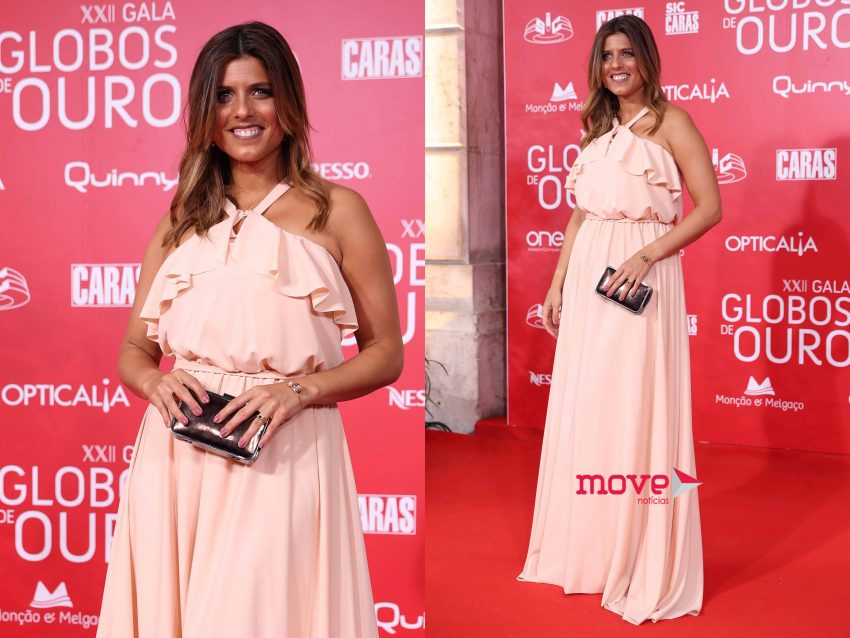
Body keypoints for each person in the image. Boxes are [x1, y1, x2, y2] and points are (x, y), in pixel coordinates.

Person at [96, 22, 402, 637]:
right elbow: (134, 349)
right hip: (177, 457)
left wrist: (298, 391)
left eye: (260, 91)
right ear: (204, 113)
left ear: (287, 100)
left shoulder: (339, 210)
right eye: (223, 95)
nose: (242, 111)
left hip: (282, 449)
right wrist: (154, 384)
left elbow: (386, 352)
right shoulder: (182, 217)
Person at [517, 15, 720, 625]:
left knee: (633, 400)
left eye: (627, 53)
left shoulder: (673, 121)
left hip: (640, 273)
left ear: (647, 59)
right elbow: (582, 214)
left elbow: (709, 207)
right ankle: (595, 549)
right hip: (591, 276)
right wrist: (558, 280)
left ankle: (639, 550)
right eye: (607, 56)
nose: (616, 65)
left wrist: (647, 255)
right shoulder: (598, 129)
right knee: (592, 403)